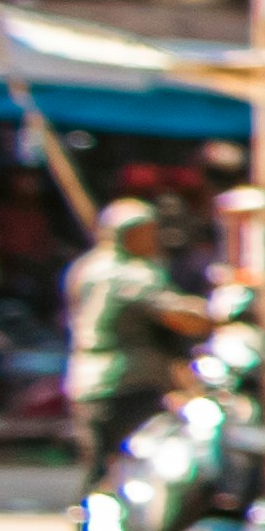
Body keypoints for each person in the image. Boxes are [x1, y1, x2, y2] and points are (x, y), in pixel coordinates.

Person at [61, 196, 204, 487]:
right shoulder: (134, 274)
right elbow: (176, 316)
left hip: (85, 379)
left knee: (99, 467)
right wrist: (212, 314)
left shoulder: (85, 268)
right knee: (136, 468)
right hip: (128, 381)